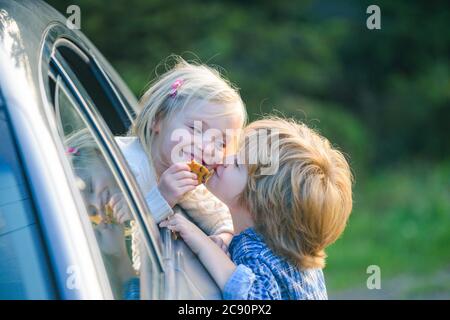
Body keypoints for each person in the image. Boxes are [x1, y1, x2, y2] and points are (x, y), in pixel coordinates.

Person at [160, 117, 353, 299]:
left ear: (261, 201)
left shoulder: (256, 252)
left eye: (236, 164)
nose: (225, 158)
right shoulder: (290, 252)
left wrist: (204, 245)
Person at [114, 56, 247, 270]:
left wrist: (222, 237)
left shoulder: (191, 184)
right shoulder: (124, 165)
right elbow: (117, 240)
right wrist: (162, 197)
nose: (206, 147)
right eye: (195, 129)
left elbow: (221, 217)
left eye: (220, 141)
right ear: (158, 119)